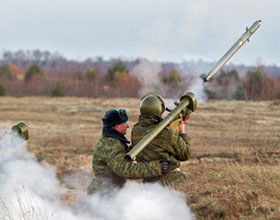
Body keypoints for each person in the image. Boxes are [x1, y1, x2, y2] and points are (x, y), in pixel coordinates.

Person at [87, 108, 168, 195]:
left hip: (107, 189)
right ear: (117, 126)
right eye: (124, 123)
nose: (127, 126)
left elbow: (122, 157)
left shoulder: (111, 140)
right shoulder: (111, 144)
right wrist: (155, 167)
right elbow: (124, 169)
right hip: (105, 193)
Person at [131, 95, 191, 187]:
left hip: (148, 184)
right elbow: (185, 154)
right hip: (172, 181)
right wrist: (182, 132)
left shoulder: (135, 130)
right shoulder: (166, 133)